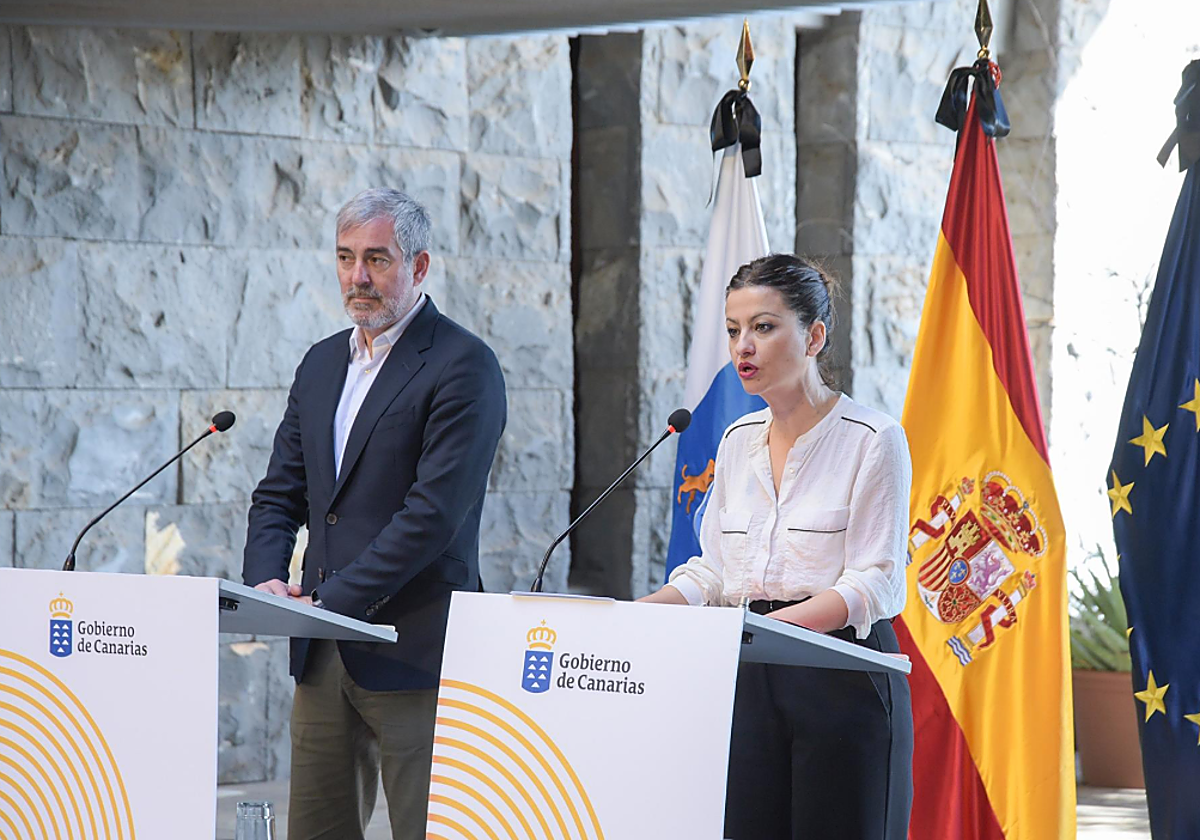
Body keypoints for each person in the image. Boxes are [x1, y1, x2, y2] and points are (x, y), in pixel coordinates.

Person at [242, 187, 507, 840]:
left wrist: (328, 601)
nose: (358, 277)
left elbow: (431, 517)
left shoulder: (463, 365)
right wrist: (266, 584)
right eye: (345, 257)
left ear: (419, 267)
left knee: (429, 830)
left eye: (378, 259)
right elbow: (279, 493)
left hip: (414, 647)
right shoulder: (321, 361)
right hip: (323, 652)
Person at [640, 253, 913, 840]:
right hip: (746, 674)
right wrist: (632, 620)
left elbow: (877, 581)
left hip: (840, 669)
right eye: (734, 330)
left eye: (764, 328)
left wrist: (776, 631)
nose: (744, 347)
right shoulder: (736, 440)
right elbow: (712, 571)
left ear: (814, 336)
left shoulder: (873, 439)